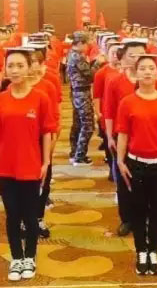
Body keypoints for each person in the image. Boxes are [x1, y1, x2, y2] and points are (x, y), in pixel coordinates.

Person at [0, 48, 54, 281]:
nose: (15, 70)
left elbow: (47, 132)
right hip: (6, 167)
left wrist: (46, 162)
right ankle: (16, 257)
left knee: (30, 215)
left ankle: (30, 257)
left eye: (20, 65)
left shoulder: (40, 98)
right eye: (11, 66)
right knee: (12, 215)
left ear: (29, 68)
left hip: (31, 164)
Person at [116, 55, 157, 275]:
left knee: (156, 211)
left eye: (151, 68)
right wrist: (120, 161)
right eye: (142, 68)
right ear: (136, 73)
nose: (147, 72)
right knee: (138, 210)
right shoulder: (127, 102)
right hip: (136, 165)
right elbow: (123, 134)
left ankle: (154, 250)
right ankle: (141, 251)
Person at [104, 38, 157, 236]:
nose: (136, 58)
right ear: (124, 57)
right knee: (124, 179)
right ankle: (127, 219)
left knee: (146, 181)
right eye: (132, 55)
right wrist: (109, 136)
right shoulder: (115, 81)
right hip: (122, 137)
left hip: (147, 137)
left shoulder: (155, 82)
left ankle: (145, 217)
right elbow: (109, 111)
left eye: (140, 55)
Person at [27, 47, 61, 239]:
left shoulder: (47, 86)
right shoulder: (11, 87)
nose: (30, 66)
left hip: (43, 139)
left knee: (43, 179)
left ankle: (39, 217)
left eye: (34, 62)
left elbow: (54, 116)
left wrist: (53, 140)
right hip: (22, 141)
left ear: (40, 64)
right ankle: (24, 218)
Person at [66, 32, 100, 166]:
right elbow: (90, 75)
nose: (87, 47)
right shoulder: (77, 57)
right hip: (82, 94)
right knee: (88, 125)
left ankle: (74, 153)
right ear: (80, 43)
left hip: (77, 93)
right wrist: (98, 63)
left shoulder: (72, 54)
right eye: (86, 44)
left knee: (78, 124)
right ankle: (79, 156)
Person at [93, 41, 121, 178]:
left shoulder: (127, 71)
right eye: (112, 53)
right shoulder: (101, 73)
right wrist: (98, 112)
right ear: (107, 55)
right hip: (107, 113)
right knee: (110, 143)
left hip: (123, 113)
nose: (115, 55)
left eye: (118, 53)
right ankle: (112, 167)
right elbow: (97, 95)